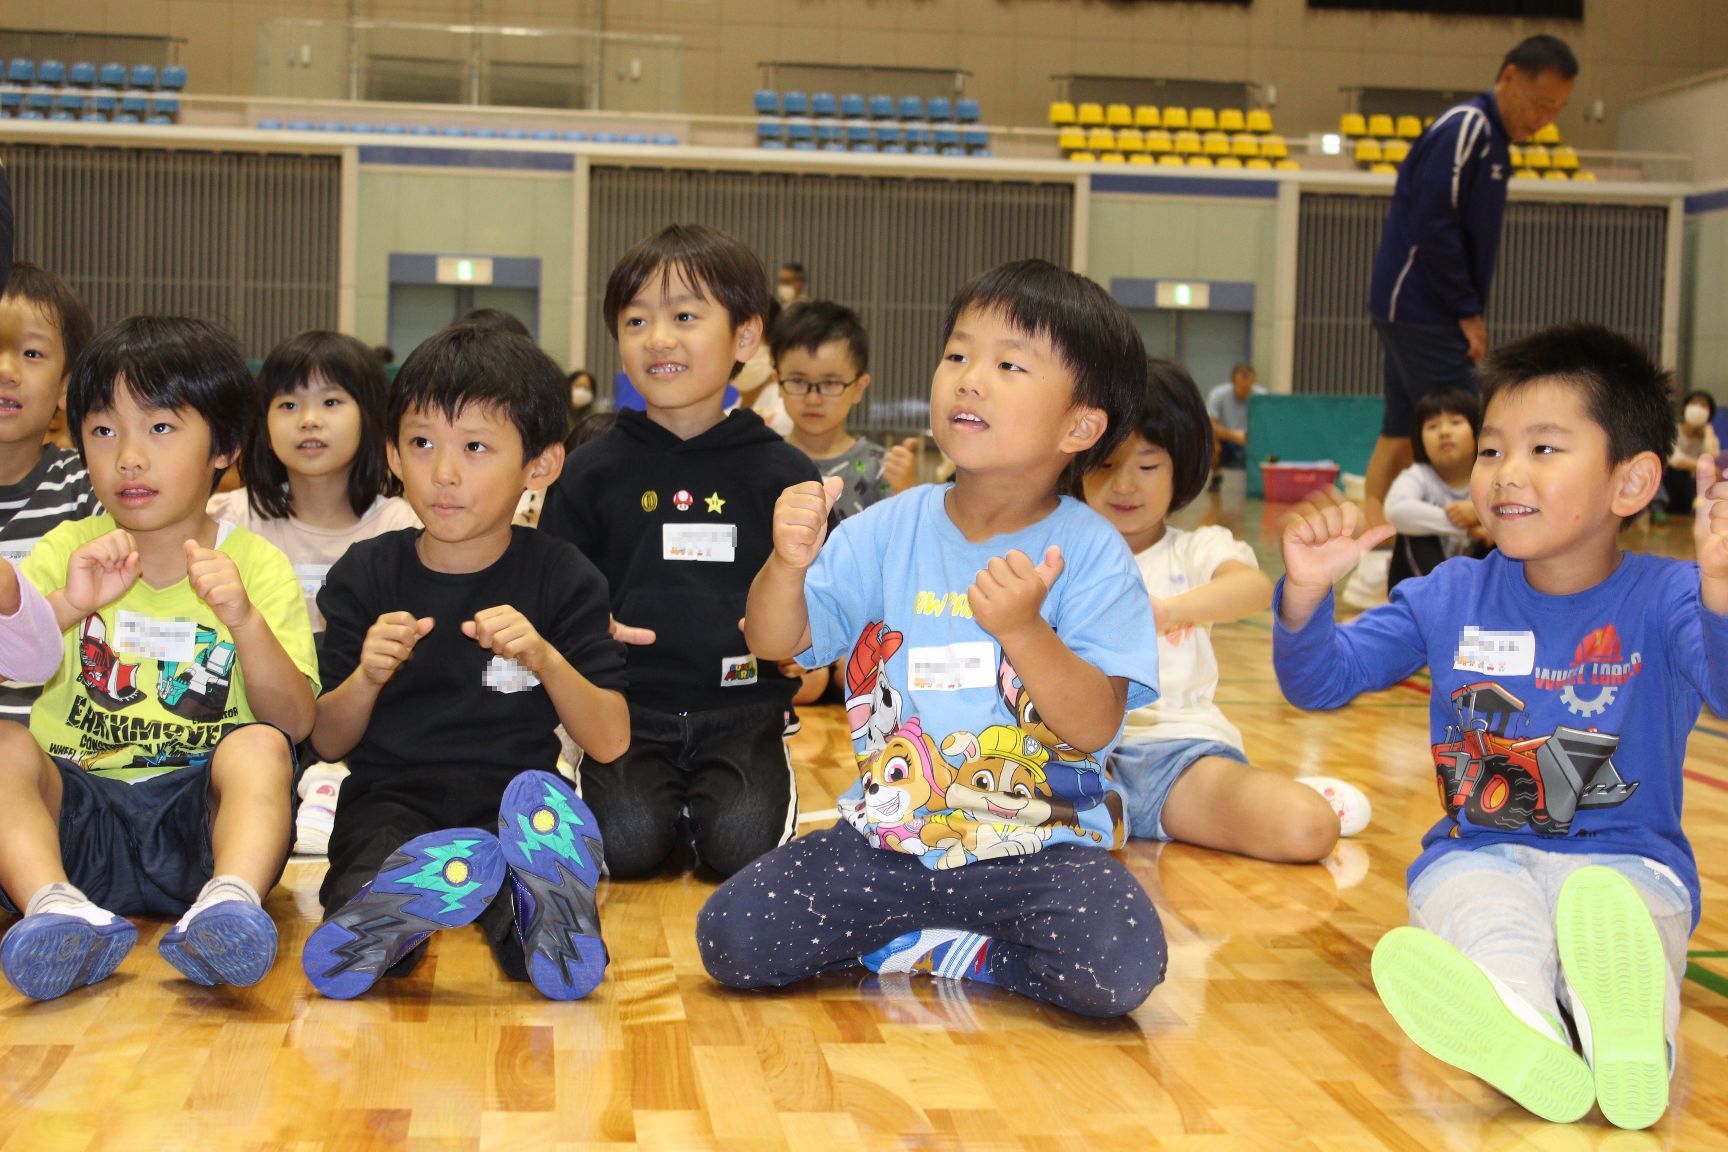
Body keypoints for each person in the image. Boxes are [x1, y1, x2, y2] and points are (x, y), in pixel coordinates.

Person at [1274, 323, 1719, 1131]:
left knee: (1626, 933)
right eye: (1491, 450)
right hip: (1480, 851)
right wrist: (1306, 597)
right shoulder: (1450, 593)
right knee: (1484, 918)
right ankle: (1530, 1029)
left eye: (1545, 450)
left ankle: (1621, 1040)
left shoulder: (1672, 597)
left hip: (1631, 866)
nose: (1505, 473)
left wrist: (1723, 599)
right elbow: (1319, 679)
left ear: (1632, 481)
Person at [698, 259, 1167, 1019]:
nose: (968, 379)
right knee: (734, 937)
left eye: (1008, 364)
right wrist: (786, 565)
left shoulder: (1093, 552)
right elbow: (777, 641)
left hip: (1041, 851)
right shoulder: (885, 529)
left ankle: (939, 949)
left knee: (1118, 967)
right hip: (885, 841)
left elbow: (1093, 725)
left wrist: (1024, 629)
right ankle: (921, 936)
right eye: (958, 354)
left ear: (1079, 426)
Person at [302, 322, 629, 1001]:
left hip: (516, 805)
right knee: (365, 885)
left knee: (525, 902)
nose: (443, 473)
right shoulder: (366, 573)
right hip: (389, 796)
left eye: (476, 447)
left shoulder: (563, 576)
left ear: (540, 466)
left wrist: (546, 657)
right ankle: (396, 910)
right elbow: (327, 738)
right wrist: (366, 676)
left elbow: (610, 737)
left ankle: (550, 915)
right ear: (392, 454)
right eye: (422, 444)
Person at [0, 315, 319, 1001]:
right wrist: (65, 604)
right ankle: (53, 907)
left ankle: (229, 904)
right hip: (76, 820)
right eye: (104, 431)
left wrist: (243, 621)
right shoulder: (67, 549)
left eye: (161, 428)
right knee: (2, 744)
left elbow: (295, 721)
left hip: (196, 825)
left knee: (259, 747)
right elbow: (12, 663)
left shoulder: (255, 565)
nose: (129, 458)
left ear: (224, 446)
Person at [539, 223, 818, 880]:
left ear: (745, 338)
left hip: (742, 709)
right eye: (636, 320)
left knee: (744, 852)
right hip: (627, 710)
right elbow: (551, 589)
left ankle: (709, 804)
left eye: (685, 316)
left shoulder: (784, 474)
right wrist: (588, 630)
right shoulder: (591, 470)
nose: (657, 338)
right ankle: (668, 808)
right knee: (629, 846)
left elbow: (809, 614)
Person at [1083, 359, 1363, 861]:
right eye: (1105, 465)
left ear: (1182, 466)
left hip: (1177, 755)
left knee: (1306, 827)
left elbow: (1252, 587)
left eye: (1147, 466)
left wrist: (1168, 611)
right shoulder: (1054, 554)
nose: (1125, 486)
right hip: (1070, 755)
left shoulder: (1195, 548)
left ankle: (1133, 813)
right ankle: (1104, 812)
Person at [206, 330, 420, 854]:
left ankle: (332, 780)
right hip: (262, 714)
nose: (308, 420)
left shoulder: (401, 523)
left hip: (363, 717)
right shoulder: (230, 520)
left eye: (330, 402)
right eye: (287, 404)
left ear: (369, 415)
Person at [1363, 35, 1578, 527]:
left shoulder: (1495, 143)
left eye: (1556, 109)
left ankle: (1372, 537)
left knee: (1400, 427)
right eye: (1539, 102)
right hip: (1422, 306)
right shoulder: (1468, 127)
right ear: (1507, 79)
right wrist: (1466, 311)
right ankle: (1487, 527)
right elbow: (1434, 222)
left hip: (1413, 308)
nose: (1544, 118)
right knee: (1477, 423)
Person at [0, 263, 100, 725]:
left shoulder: (90, 489)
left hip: (60, 753)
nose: (6, 370)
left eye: (32, 353)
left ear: (66, 386)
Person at [773, 300, 915, 521]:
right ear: (777, 382)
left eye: (830, 383)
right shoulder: (765, 460)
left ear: (859, 387)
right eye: (798, 381)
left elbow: (902, 540)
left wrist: (906, 490)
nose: (813, 398)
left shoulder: (880, 468)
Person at [1385, 389, 1491, 589]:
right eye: (1432, 426)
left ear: (1479, 432)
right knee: (1412, 528)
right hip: (1422, 585)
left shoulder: (1491, 475)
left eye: (1456, 422)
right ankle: (1439, 600)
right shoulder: (1419, 476)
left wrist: (1478, 512)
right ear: (1420, 440)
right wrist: (1467, 530)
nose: (1444, 432)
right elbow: (1395, 511)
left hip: (1476, 584)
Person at [1657, 389, 1719, 521]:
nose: (1698, 409)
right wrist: (1703, 466)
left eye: (1703, 406)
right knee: (1680, 473)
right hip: (1669, 482)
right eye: (1694, 403)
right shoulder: (1671, 431)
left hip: (1694, 485)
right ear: (1686, 407)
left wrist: (1708, 431)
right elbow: (1675, 460)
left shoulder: (1709, 436)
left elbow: (1711, 456)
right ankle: (1659, 508)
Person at [1206, 362, 1264, 481]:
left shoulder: (1262, 396)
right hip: (1226, 439)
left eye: (1249, 386)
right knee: (1210, 441)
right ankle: (1216, 476)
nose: (1245, 390)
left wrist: (1249, 437)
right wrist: (1234, 436)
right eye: (1242, 386)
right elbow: (1210, 424)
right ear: (1232, 381)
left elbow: (1267, 425)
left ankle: (1261, 482)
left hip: (1252, 440)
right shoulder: (1218, 394)